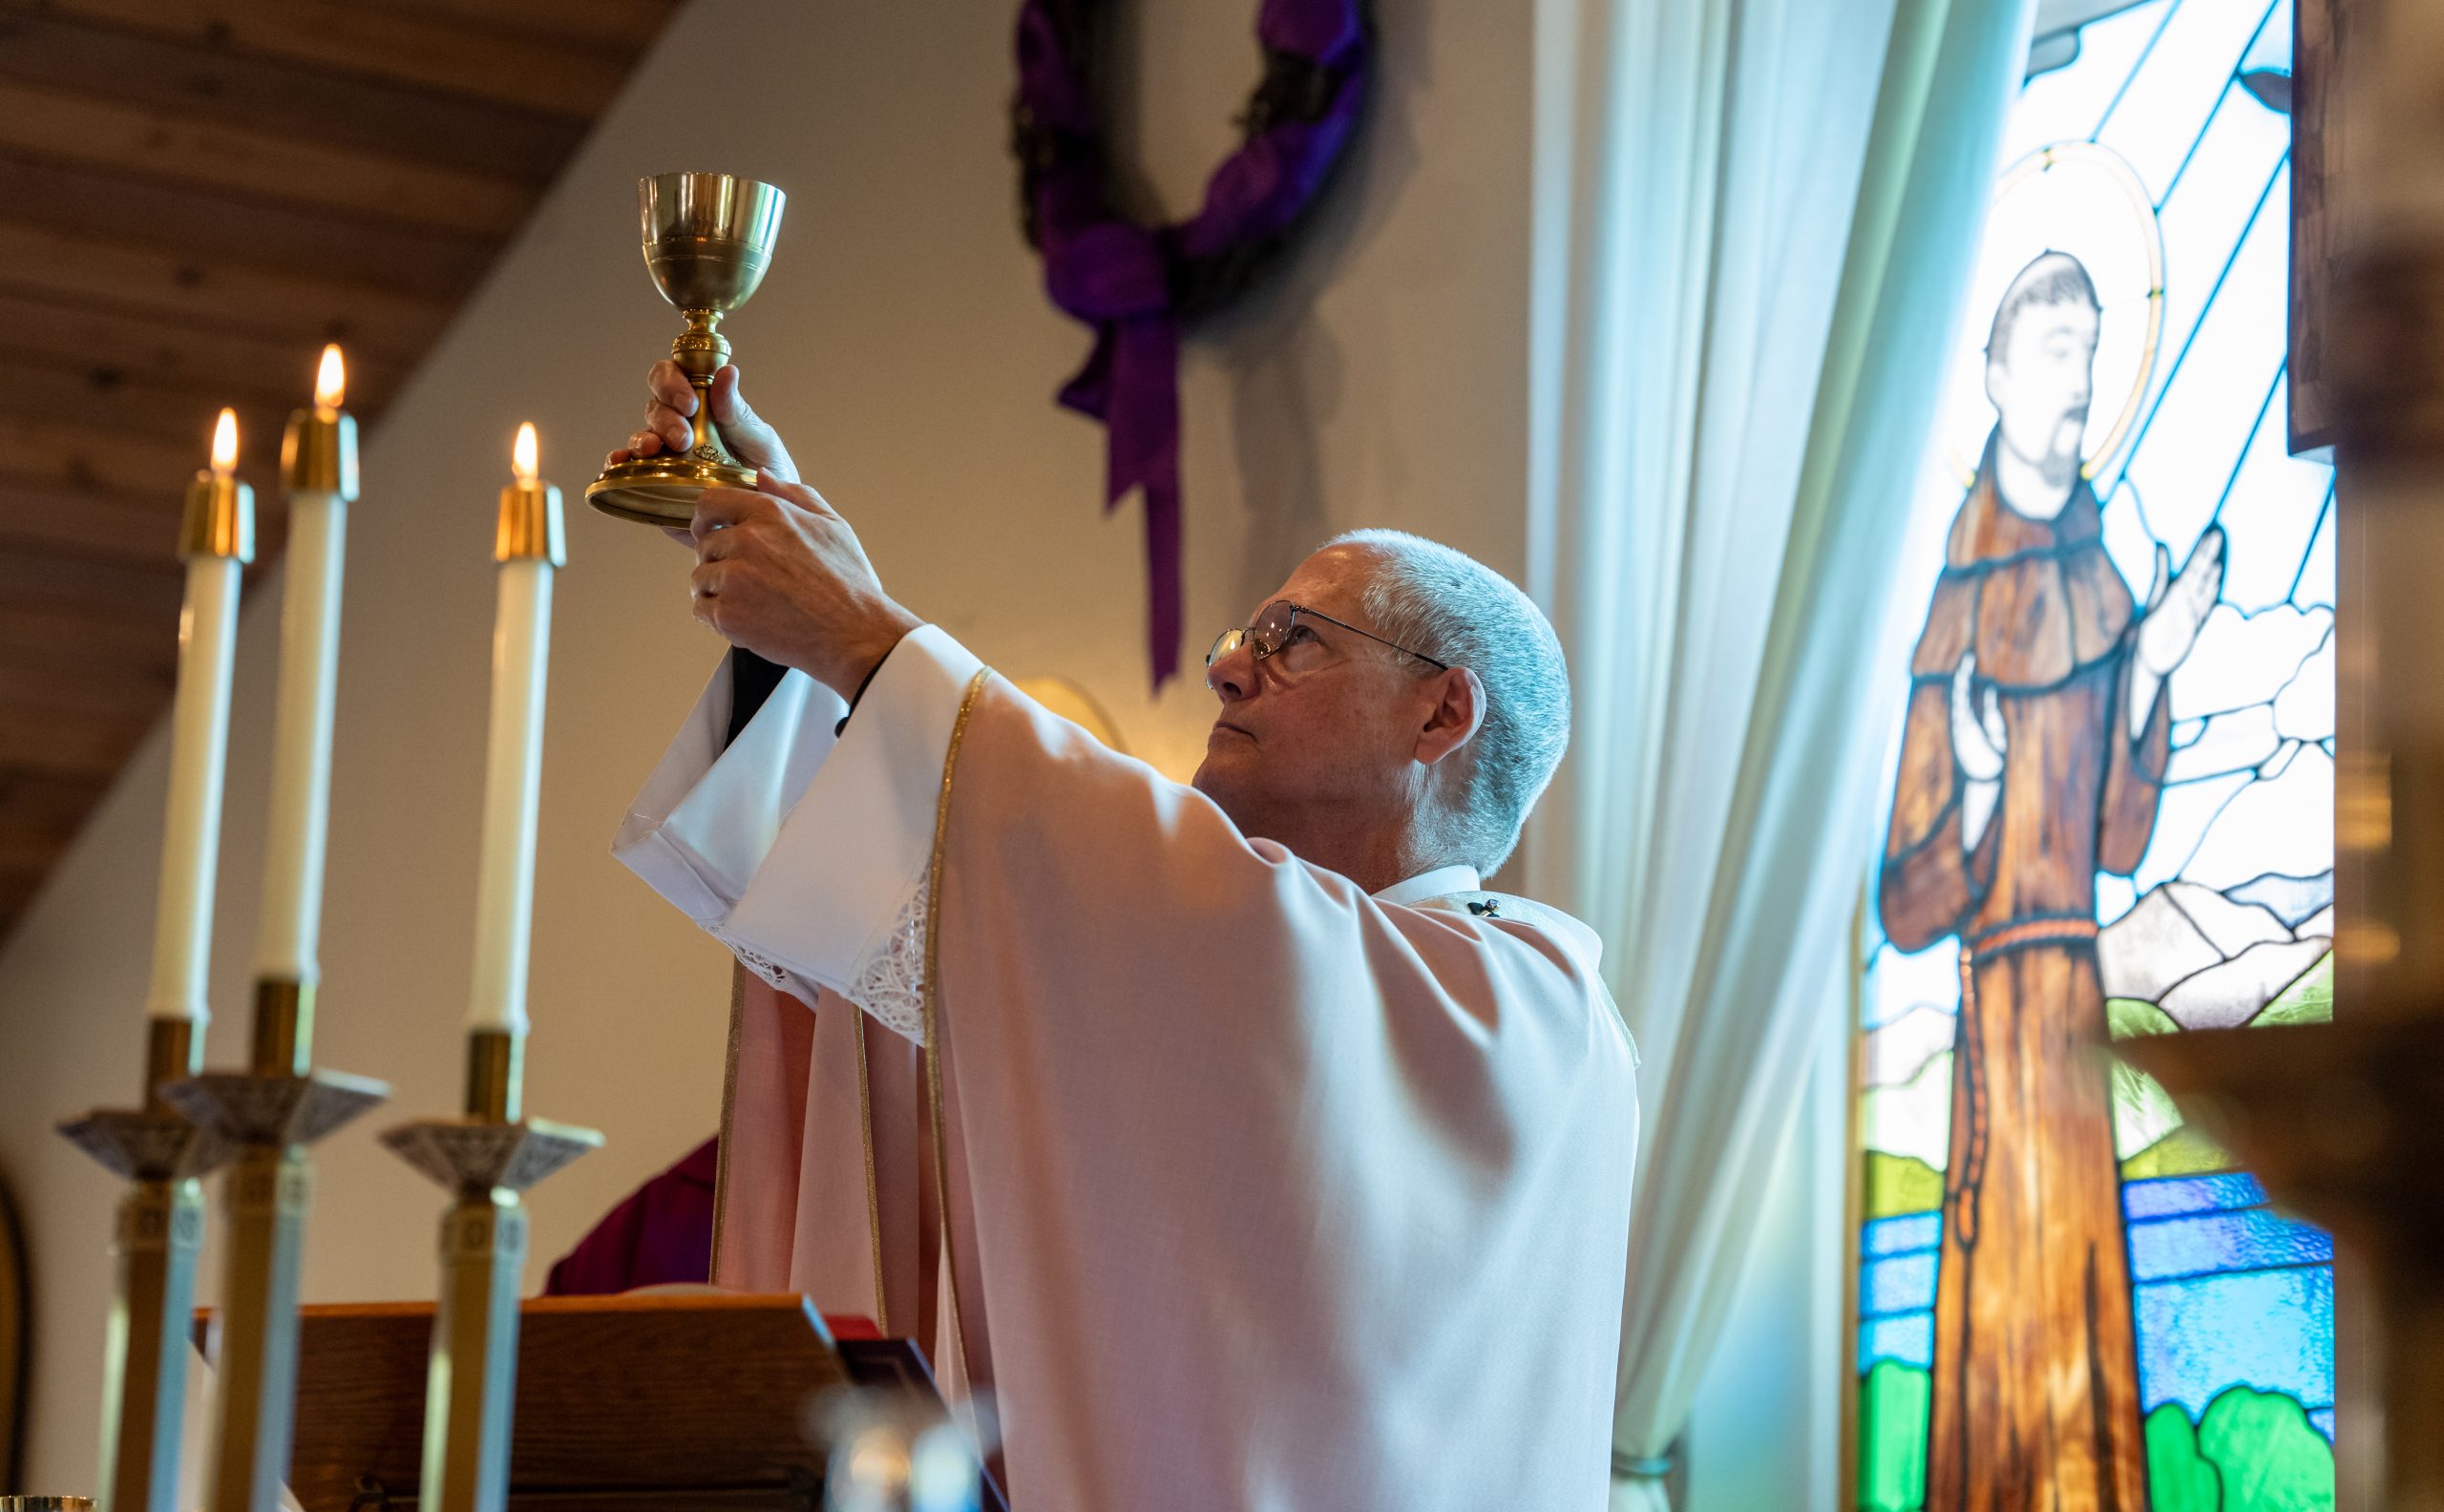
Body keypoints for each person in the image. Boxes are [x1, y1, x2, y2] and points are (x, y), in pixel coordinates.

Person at [606, 362, 1638, 1511]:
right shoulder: (1242, 960)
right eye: (1245, 631)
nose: (1225, 665)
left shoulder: (1524, 1003)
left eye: (1295, 640)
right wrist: (791, 624)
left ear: (1442, 712)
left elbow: (1252, 945)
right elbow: (931, 949)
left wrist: (864, 637)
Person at [1878, 251, 2222, 1509]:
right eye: (2054, 351)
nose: (2078, 379)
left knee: (2085, 1290)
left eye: (2090, 350)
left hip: (2074, 992)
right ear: (1994, 377)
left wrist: (2153, 669)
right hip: (2001, 1000)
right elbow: (1907, 903)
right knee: (2007, 1295)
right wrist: (1970, 773)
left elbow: (2123, 841)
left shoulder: (2102, 578)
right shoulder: (1957, 607)